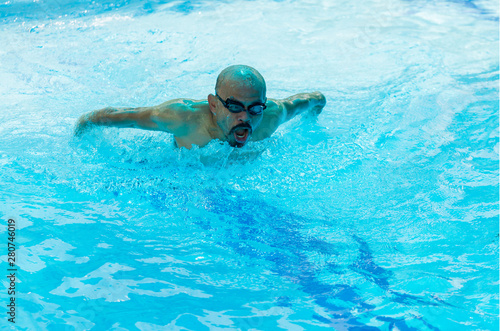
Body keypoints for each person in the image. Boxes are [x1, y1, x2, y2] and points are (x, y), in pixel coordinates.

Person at [74, 65, 326, 149]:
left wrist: (313, 123)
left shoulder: (271, 116)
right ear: (214, 105)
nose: (245, 117)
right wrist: (80, 132)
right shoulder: (180, 117)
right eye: (235, 106)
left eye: (254, 108)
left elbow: (313, 100)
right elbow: (120, 117)